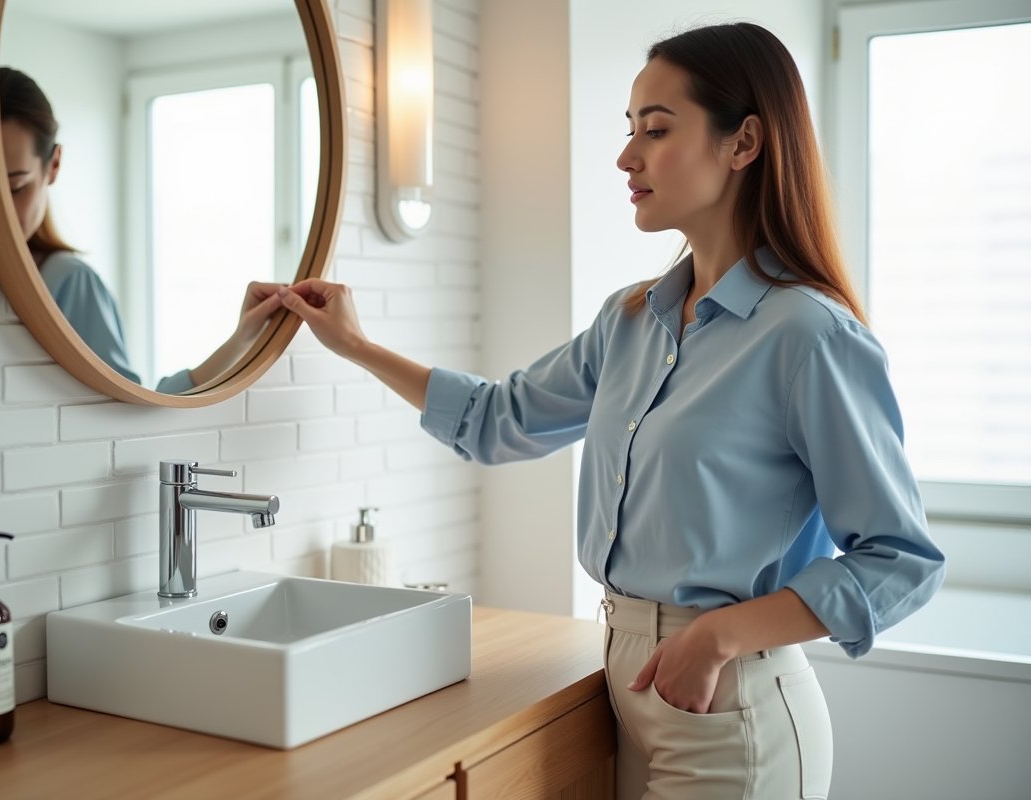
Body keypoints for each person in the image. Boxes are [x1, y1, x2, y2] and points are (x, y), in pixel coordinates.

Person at [274, 22, 945, 800]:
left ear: (743, 143)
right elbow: (497, 421)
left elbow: (901, 559)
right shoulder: (629, 322)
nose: (627, 157)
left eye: (655, 130)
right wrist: (356, 346)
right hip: (631, 690)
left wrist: (719, 635)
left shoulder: (808, 335)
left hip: (734, 710)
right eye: (630, 131)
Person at [0, 67, 285, 394]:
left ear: (54, 165)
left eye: (16, 187)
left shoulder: (67, 282)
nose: (0, 209)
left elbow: (124, 411)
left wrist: (242, 340)